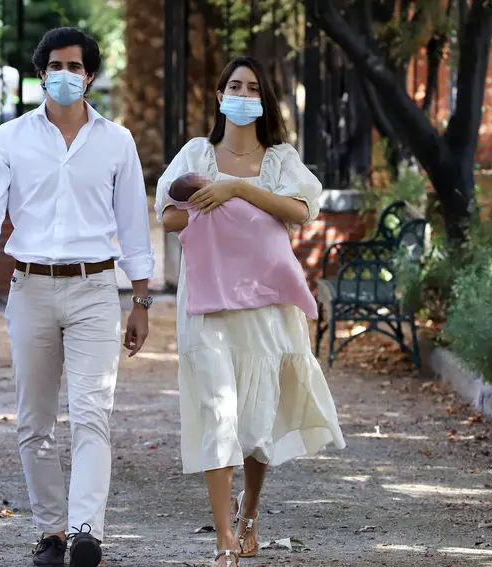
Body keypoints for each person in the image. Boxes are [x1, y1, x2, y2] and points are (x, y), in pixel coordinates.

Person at [0, 27, 154, 567]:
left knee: (93, 413)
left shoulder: (117, 141)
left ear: (90, 76)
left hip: (96, 289)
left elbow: (134, 227)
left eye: (75, 66)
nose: (64, 75)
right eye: (55, 65)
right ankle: (51, 534)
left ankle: (87, 531)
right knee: (35, 421)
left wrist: (141, 301)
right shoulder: (9, 139)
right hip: (30, 288)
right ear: (41, 72)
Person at [155, 56, 346, 567]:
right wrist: (198, 204)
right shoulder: (197, 153)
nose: (242, 93)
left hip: (267, 304)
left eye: (253, 86)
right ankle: (223, 541)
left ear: (265, 99)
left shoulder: (281, 158)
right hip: (208, 303)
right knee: (218, 411)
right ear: (219, 96)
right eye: (234, 85)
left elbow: (302, 212)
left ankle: (250, 515)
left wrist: (238, 188)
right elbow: (168, 214)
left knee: (257, 420)